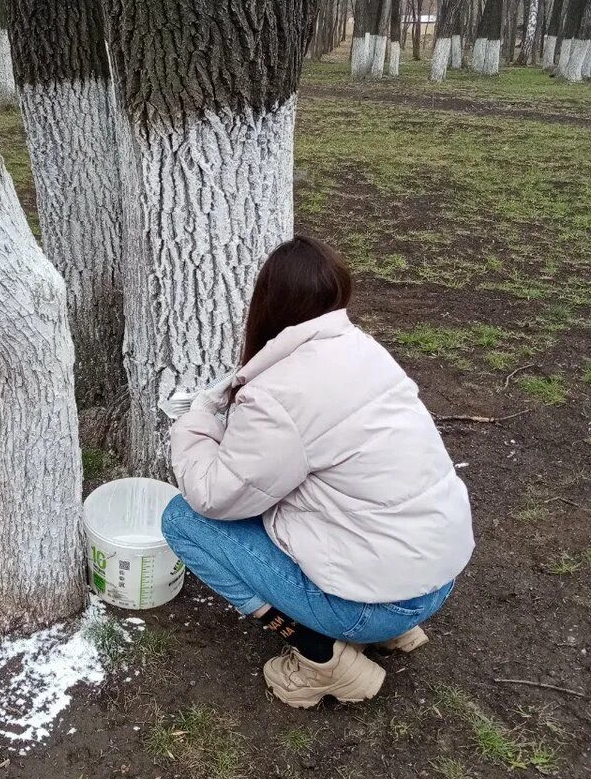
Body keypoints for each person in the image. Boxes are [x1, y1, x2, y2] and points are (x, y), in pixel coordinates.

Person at [163, 237, 474, 709]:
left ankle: (321, 656)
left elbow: (214, 496)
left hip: (380, 602)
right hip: (436, 575)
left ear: (267, 304)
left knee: (182, 520)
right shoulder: (366, 351)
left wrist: (197, 419)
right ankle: (390, 627)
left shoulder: (276, 394)